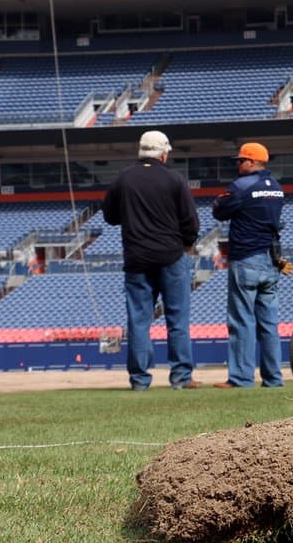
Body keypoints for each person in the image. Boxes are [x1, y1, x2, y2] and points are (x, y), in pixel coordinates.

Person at [102, 130, 200, 391]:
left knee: (139, 321)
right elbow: (190, 221)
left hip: (136, 258)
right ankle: (180, 378)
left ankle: (140, 380)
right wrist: (186, 244)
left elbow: (109, 216)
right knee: (177, 319)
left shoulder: (124, 178)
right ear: (164, 153)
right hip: (171, 256)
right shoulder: (174, 179)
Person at [211, 142, 285, 388]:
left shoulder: (243, 186)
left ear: (252, 162)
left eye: (241, 160)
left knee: (242, 320)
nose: (237, 164)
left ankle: (241, 378)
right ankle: (273, 378)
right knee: (269, 323)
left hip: (246, 258)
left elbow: (219, 210)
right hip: (270, 260)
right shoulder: (276, 187)